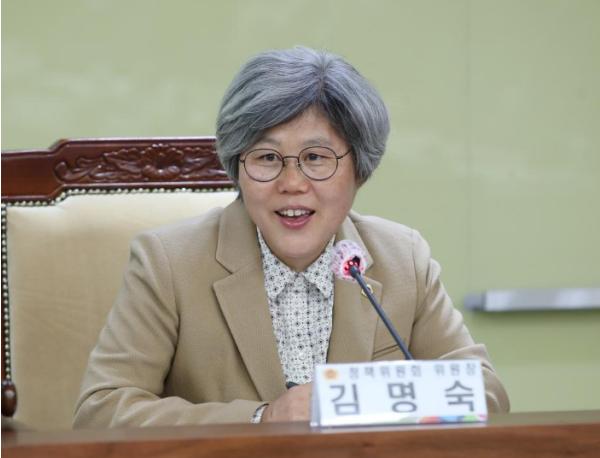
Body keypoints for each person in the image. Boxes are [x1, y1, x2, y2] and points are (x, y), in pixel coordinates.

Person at [73, 47, 509, 428]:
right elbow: (101, 411)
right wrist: (262, 420)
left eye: (316, 157)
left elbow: (485, 393)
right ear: (237, 167)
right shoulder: (168, 262)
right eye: (267, 157)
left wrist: (352, 402)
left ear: (359, 169)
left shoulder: (402, 257)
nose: (292, 183)